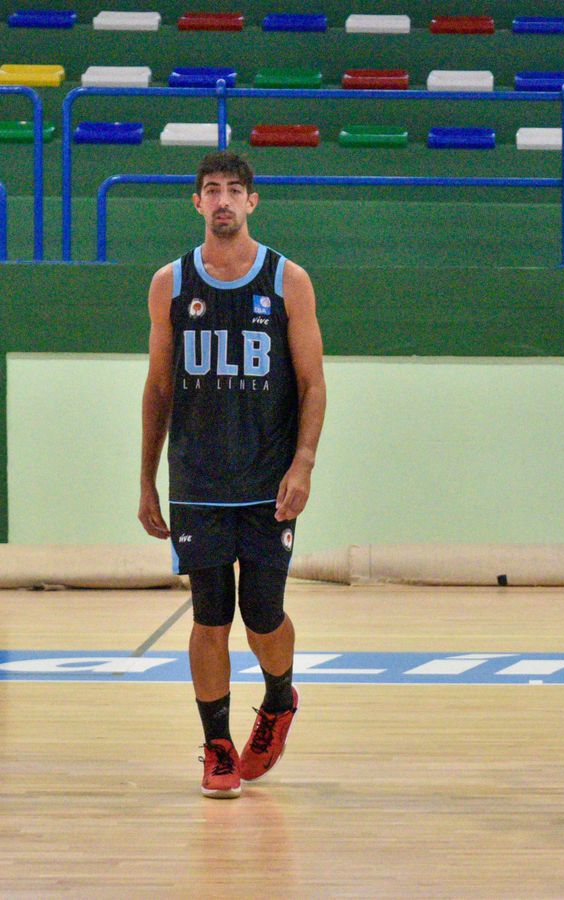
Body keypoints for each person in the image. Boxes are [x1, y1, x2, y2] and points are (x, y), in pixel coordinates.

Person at [138, 150, 327, 799]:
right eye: (211, 190)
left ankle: (278, 700)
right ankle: (217, 744)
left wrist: (303, 463)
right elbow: (159, 385)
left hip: (268, 479)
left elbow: (311, 382)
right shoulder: (170, 282)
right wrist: (146, 480)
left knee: (262, 613)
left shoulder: (287, 280)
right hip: (197, 479)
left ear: (252, 201)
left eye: (234, 190)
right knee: (210, 615)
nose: (222, 200)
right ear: (196, 203)